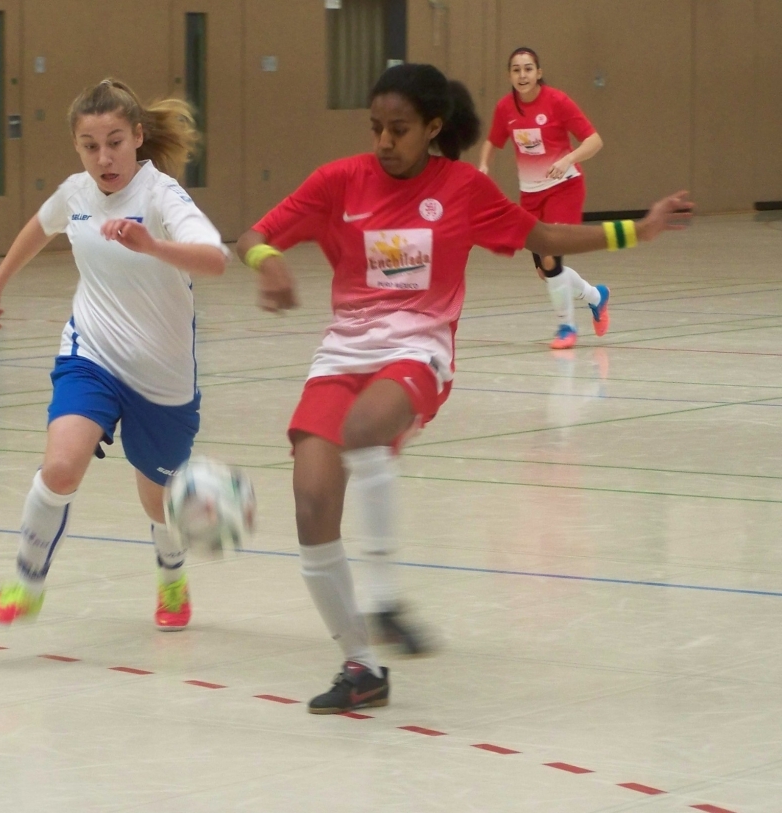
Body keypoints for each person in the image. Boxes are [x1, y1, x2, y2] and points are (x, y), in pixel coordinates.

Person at [236, 63, 691, 714]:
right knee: (310, 502)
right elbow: (252, 236)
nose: (384, 141)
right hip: (343, 352)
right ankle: (361, 665)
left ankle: (384, 595)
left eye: (398, 129)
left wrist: (637, 230)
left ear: (432, 128)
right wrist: (268, 263)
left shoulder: (462, 188)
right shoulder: (339, 180)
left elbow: (544, 236)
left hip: (419, 350)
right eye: (375, 128)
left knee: (363, 430)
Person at [0, 79, 228, 630]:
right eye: (90, 146)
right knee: (61, 467)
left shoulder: (161, 195)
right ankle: (26, 583)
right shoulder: (75, 194)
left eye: (114, 142)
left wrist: (152, 245)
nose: (103, 157)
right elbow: (37, 229)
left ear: (137, 136)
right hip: (91, 354)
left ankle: (171, 575)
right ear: (77, 146)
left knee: (158, 503)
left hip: (162, 376)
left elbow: (215, 260)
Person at [478, 47, 608, 350]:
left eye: (528, 69)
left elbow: (594, 140)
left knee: (550, 258)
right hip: (531, 196)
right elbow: (492, 142)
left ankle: (566, 328)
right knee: (545, 271)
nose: (522, 75)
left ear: (538, 73)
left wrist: (568, 159)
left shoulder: (557, 101)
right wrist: (483, 166)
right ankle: (596, 296)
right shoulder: (505, 108)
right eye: (516, 70)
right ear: (509, 75)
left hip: (564, 188)